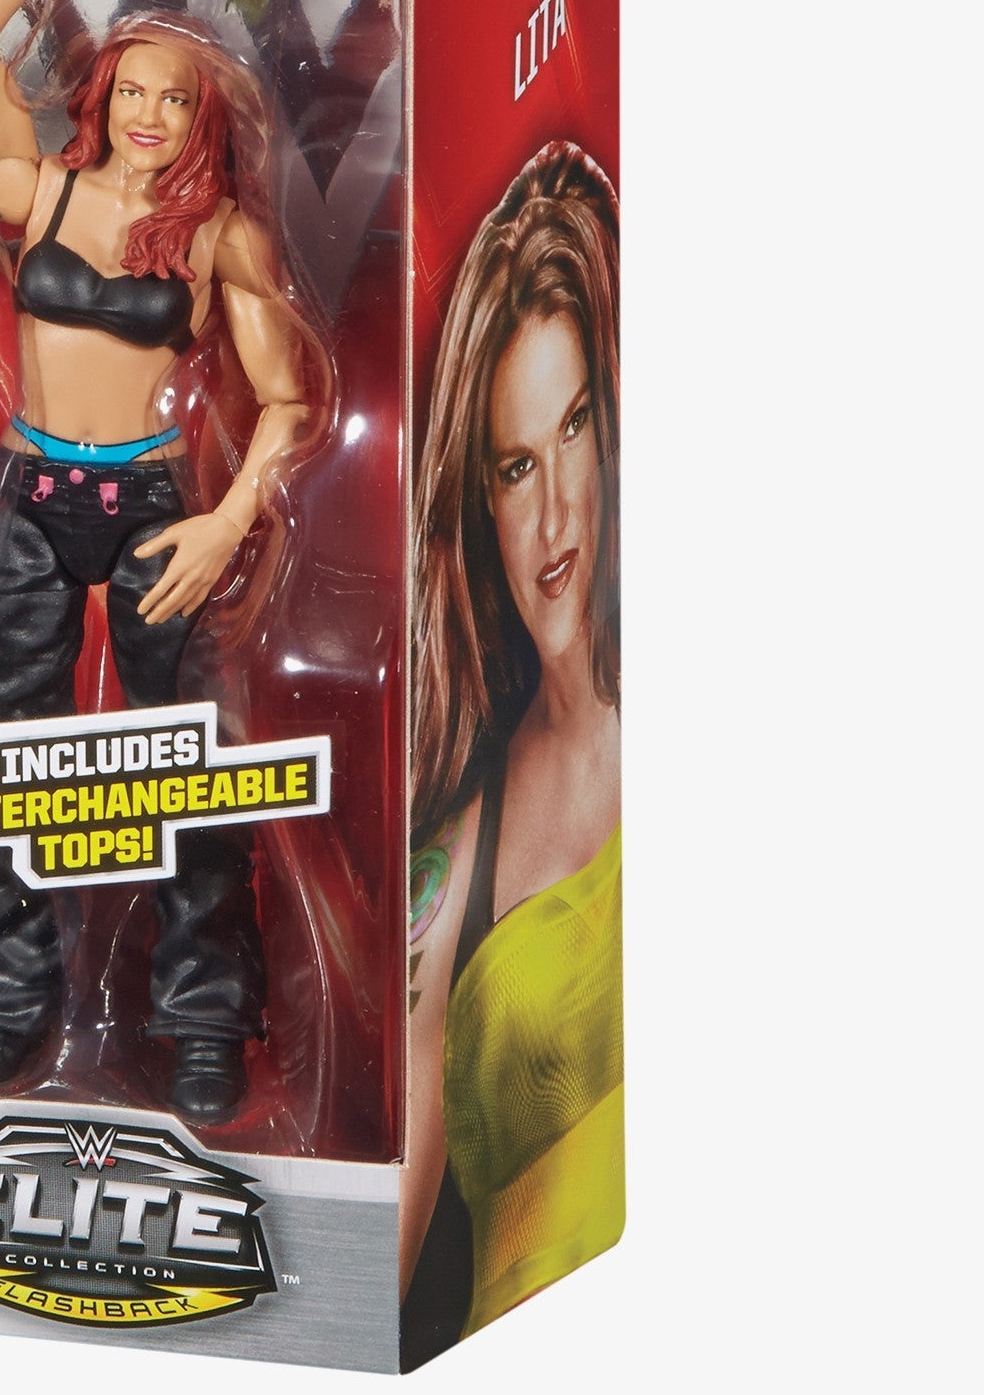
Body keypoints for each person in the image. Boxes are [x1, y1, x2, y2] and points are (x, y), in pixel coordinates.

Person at [0, 0, 310, 1122]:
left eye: (174, 98)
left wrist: (227, 517)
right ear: (101, 97)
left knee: (183, 758)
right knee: (11, 761)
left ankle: (203, 1017)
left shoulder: (217, 236)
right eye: (132, 90)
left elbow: (287, 401)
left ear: (202, 117)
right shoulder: (36, 193)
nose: (149, 114)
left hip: (154, 503)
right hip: (29, 495)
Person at [400, 143, 622, 1358]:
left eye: (573, 424)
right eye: (514, 465)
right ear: (480, 505)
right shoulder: (453, 864)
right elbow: (361, 1259)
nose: (553, 516)